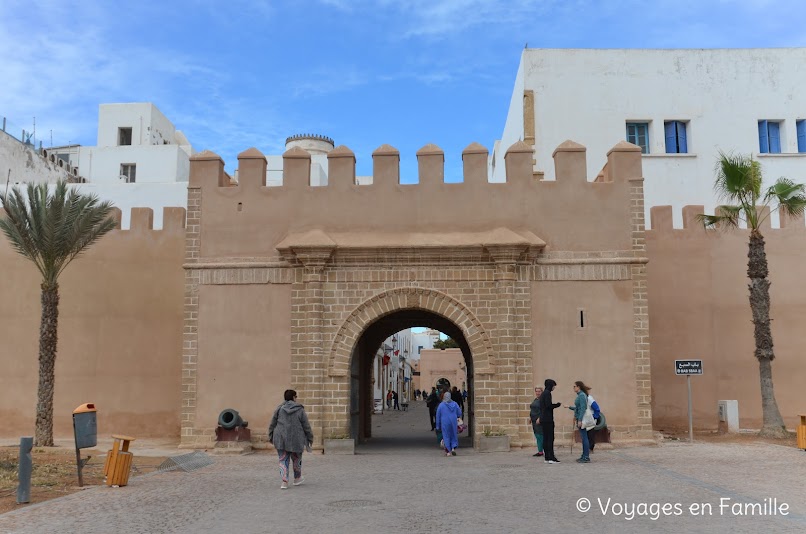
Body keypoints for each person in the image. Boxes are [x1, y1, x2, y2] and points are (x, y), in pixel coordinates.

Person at [268, 389, 314, 489]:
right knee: (297, 459)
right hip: (296, 439)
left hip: (281, 439)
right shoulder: (300, 410)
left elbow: (272, 423)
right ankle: (297, 478)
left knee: (283, 460)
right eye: (296, 396)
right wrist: (310, 438)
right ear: (293, 397)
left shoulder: (279, 409)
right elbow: (306, 425)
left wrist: (271, 436)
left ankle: (284, 482)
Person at [537, 379, 561, 464]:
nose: (554, 387)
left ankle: (547, 457)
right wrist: (557, 405)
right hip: (548, 419)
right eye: (553, 385)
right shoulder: (547, 393)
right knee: (550, 438)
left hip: (544, 419)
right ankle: (551, 457)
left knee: (546, 438)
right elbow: (548, 406)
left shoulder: (543, 394)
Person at [570, 381, 595, 463]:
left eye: (574, 386)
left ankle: (586, 457)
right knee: (584, 437)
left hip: (582, 419)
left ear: (578, 387)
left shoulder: (581, 395)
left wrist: (580, 420)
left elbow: (583, 408)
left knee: (584, 438)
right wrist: (570, 407)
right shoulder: (581, 395)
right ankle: (584, 455)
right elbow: (579, 407)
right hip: (580, 418)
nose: (573, 388)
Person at [436, 391, 463, 456]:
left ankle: (448, 451)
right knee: (453, 434)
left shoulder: (441, 405)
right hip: (453, 421)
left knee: (446, 435)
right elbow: (459, 413)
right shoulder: (455, 404)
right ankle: (453, 448)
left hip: (445, 422)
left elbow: (438, 416)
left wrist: (438, 426)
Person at [529, 386, 544, 457]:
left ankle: (543, 450)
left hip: (539, 420)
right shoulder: (535, 400)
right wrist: (530, 418)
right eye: (536, 391)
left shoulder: (542, 400)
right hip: (533, 420)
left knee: (540, 435)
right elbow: (532, 410)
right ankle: (540, 451)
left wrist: (539, 418)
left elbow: (543, 410)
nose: (537, 393)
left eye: (539, 391)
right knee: (537, 435)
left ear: (542, 392)